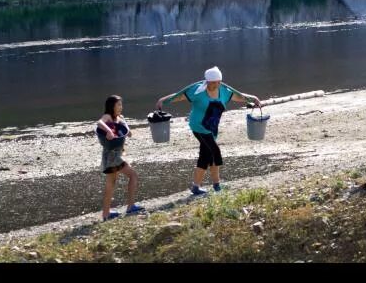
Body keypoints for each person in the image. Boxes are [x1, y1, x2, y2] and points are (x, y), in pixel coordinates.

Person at [155, 66, 262, 195]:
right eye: (214, 82)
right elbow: (179, 96)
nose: (217, 84)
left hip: (212, 128)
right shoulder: (198, 90)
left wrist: (253, 98)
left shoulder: (224, 90)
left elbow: (239, 97)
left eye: (219, 82)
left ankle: (196, 187)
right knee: (215, 152)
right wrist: (163, 100)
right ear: (208, 81)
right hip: (198, 126)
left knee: (205, 156)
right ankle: (217, 186)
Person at [96, 95, 145, 221]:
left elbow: (128, 131)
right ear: (111, 106)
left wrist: (128, 131)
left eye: (121, 105)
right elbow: (99, 123)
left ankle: (106, 214)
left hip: (116, 154)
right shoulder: (107, 117)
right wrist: (109, 131)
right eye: (118, 105)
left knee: (111, 184)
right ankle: (130, 207)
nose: (120, 107)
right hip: (112, 155)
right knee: (133, 175)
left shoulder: (120, 118)